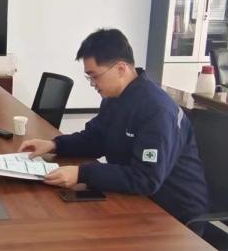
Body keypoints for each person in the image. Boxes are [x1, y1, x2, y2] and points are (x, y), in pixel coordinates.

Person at [21, 28, 208, 225]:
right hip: (136, 200)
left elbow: (145, 178)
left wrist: (82, 173)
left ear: (121, 69)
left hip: (175, 216)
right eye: (89, 77)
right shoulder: (115, 98)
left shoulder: (157, 110)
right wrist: (54, 145)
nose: (92, 84)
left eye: (95, 76)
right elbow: (94, 139)